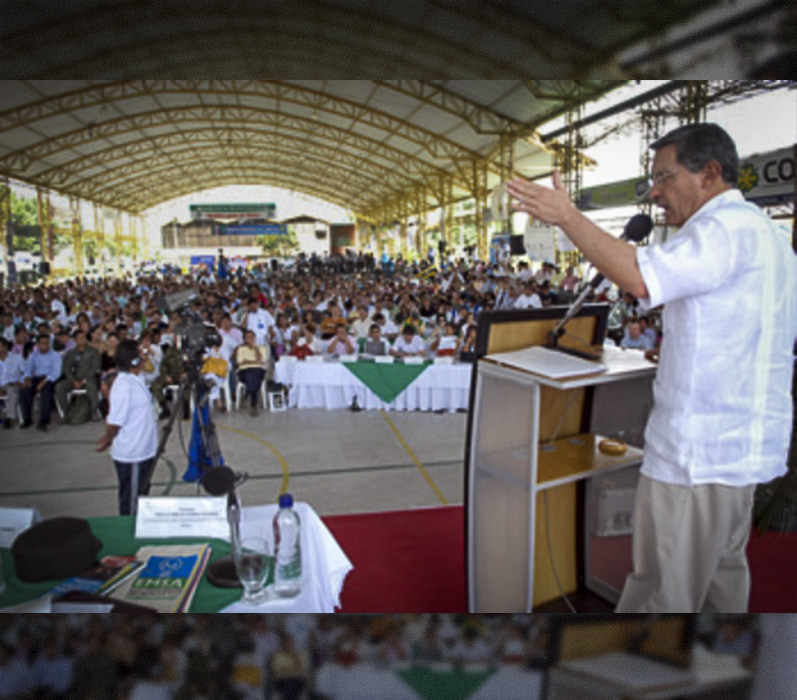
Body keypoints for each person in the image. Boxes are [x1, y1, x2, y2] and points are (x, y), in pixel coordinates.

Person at [508, 122, 797, 613]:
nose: (655, 193)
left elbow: (640, 277)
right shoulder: (767, 235)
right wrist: (687, 350)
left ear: (709, 174)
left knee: (663, 592)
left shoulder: (719, 229)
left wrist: (567, 217)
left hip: (697, 456)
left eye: (664, 178)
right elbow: (755, 328)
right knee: (720, 583)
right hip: (738, 452)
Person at [96, 339, 158, 516]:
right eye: (141, 353)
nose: (144, 355)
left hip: (144, 449)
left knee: (141, 494)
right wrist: (108, 439)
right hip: (133, 454)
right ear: (133, 360)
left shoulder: (136, 379)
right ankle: (128, 532)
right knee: (132, 500)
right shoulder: (123, 385)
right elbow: (115, 420)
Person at [55, 330, 102, 422]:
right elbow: (66, 369)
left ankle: (94, 411)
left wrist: (84, 380)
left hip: (88, 378)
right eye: (80, 338)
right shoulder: (71, 353)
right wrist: (73, 381)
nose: (83, 339)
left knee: (91, 385)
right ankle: (66, 413)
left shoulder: (94, 351)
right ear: (75, 340)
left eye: (84, 337)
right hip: (74, 380)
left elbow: (96, 367)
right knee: (60, 387)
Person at [19, 334, 63, 431]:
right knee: (24, 390)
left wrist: (43, 382)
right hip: (36, 378)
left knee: (45, 392)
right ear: (38, 344)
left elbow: (56, 373)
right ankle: (27, 418)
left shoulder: (55, 355)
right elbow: (28, 369)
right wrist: (27, 379)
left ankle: (44, 420)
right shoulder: (33, 355)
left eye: (47, 343)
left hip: (50, 379)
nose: (46, 345)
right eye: (43, 343)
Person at [234, 329, 269, 416]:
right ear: (245, 339)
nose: (250, 339)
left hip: (258, 370)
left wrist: (256, 350)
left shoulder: (261, 348)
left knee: (255, 373)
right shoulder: (241, 349)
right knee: (252, 374)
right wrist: (254, 362)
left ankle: (249, 392)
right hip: (244, 371)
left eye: (252, 337)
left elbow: (261, 361)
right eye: (248, 337)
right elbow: (240, 362)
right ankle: (253, 402)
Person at [0, 338, 25, 428]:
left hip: (12, 383)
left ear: (6, 347)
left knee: (12, 391)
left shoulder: (16, 357)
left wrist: (20, 382)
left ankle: (9, 417)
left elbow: (24, 372)